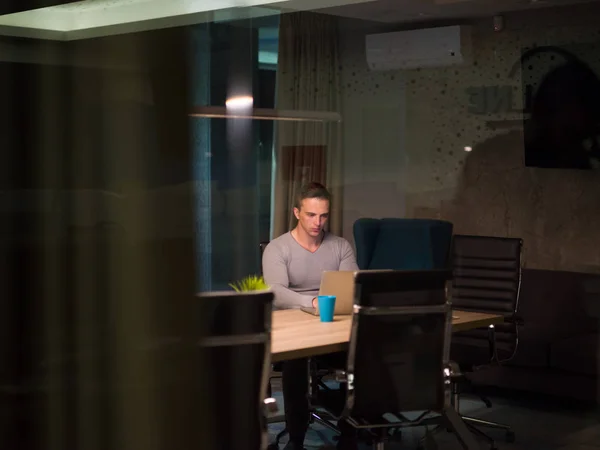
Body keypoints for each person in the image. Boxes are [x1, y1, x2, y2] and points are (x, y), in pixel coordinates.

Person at [262, 182, 359, 450]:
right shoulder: (277, 248)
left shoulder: (340, 246)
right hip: (295, 327)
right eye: (311, 215)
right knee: (296, 362)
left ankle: (351, 431)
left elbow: (351, 286)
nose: (318, 222)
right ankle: (296, 439)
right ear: (296, 212)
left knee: (362, 353)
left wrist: (327, 306)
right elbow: (277, 292)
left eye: (323, 215)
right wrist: (313, 301)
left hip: (333, 323)